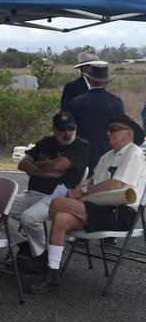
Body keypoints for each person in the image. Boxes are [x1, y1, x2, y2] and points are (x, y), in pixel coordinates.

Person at [28, 114, 146, 293]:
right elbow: (92, 179)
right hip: (99, 208)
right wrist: (84, 184)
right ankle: (52, 273)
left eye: (114, 129)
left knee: (58, 203)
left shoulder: (134, 153)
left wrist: (80, 192)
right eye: (108, 129)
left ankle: (44, 257)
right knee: (60, 218)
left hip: (120, 212)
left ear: (129, 133)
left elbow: (116, 184)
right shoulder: (107, 155)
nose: (108, 133)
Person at [13, 112, 91, 273]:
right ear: (55, 130)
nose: (68, 133)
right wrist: (43, 171)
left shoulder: (81, 146)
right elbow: (22, 164)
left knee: (29, 218)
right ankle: (23, 244)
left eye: (71, 128)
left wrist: (39, 163)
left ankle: (41, 257)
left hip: (57, 198)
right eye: (63, 129)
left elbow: (59, 165)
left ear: (76, 128)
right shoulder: (46, 143)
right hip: (32, 193)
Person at [68, 62, 125, 170]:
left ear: (89, 80)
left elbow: (70, 128)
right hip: (108, 152)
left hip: (81, 155)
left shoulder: (76, 102)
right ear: (107, 81)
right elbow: (121, 128)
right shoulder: (116, 101)